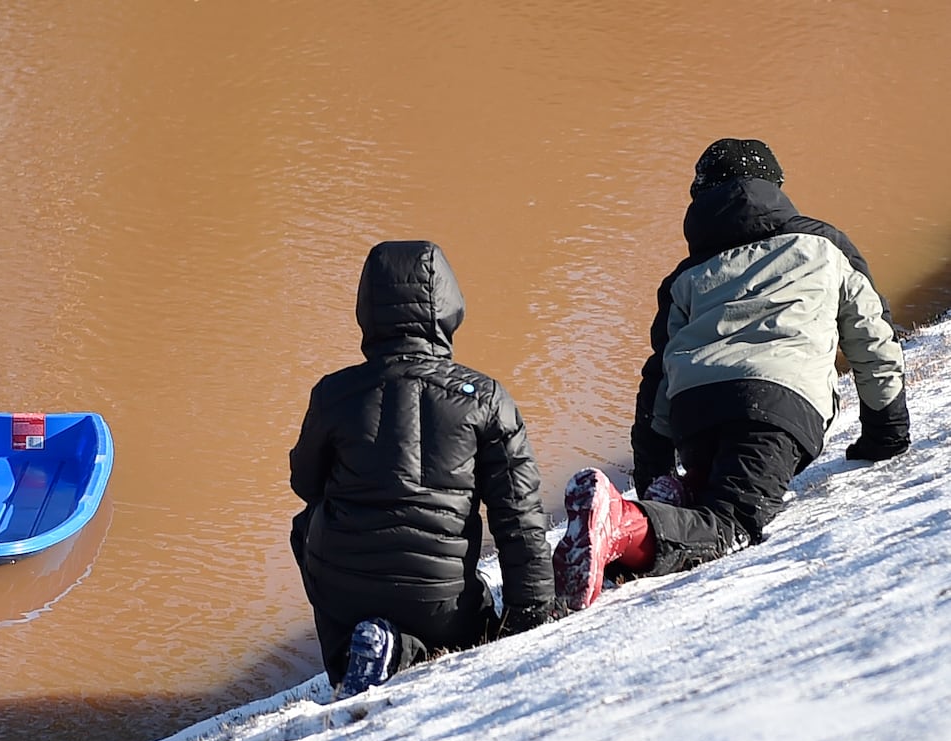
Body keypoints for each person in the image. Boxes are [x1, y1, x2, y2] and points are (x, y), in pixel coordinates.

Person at [554, 137, 911, 610]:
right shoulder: (823, 247)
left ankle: (670, 497)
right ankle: (622, 524)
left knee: (713, 486)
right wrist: (885, 431)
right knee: (732, 523)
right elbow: (872, 340)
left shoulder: (687, 274)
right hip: (777, 406)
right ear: (775, 187)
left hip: (695, 411)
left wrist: (653, 469)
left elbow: (657, 379)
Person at [290, 239, 559, 699]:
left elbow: (304, 483)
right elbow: (519, 519)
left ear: (367, 309)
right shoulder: (488, 398)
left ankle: (350, 661)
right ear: (449, 306)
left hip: (345, 592)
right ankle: (399, 650)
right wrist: (531, 615)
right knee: (472, 633)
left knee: (306, 525)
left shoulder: (332, 394)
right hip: (442, 602)